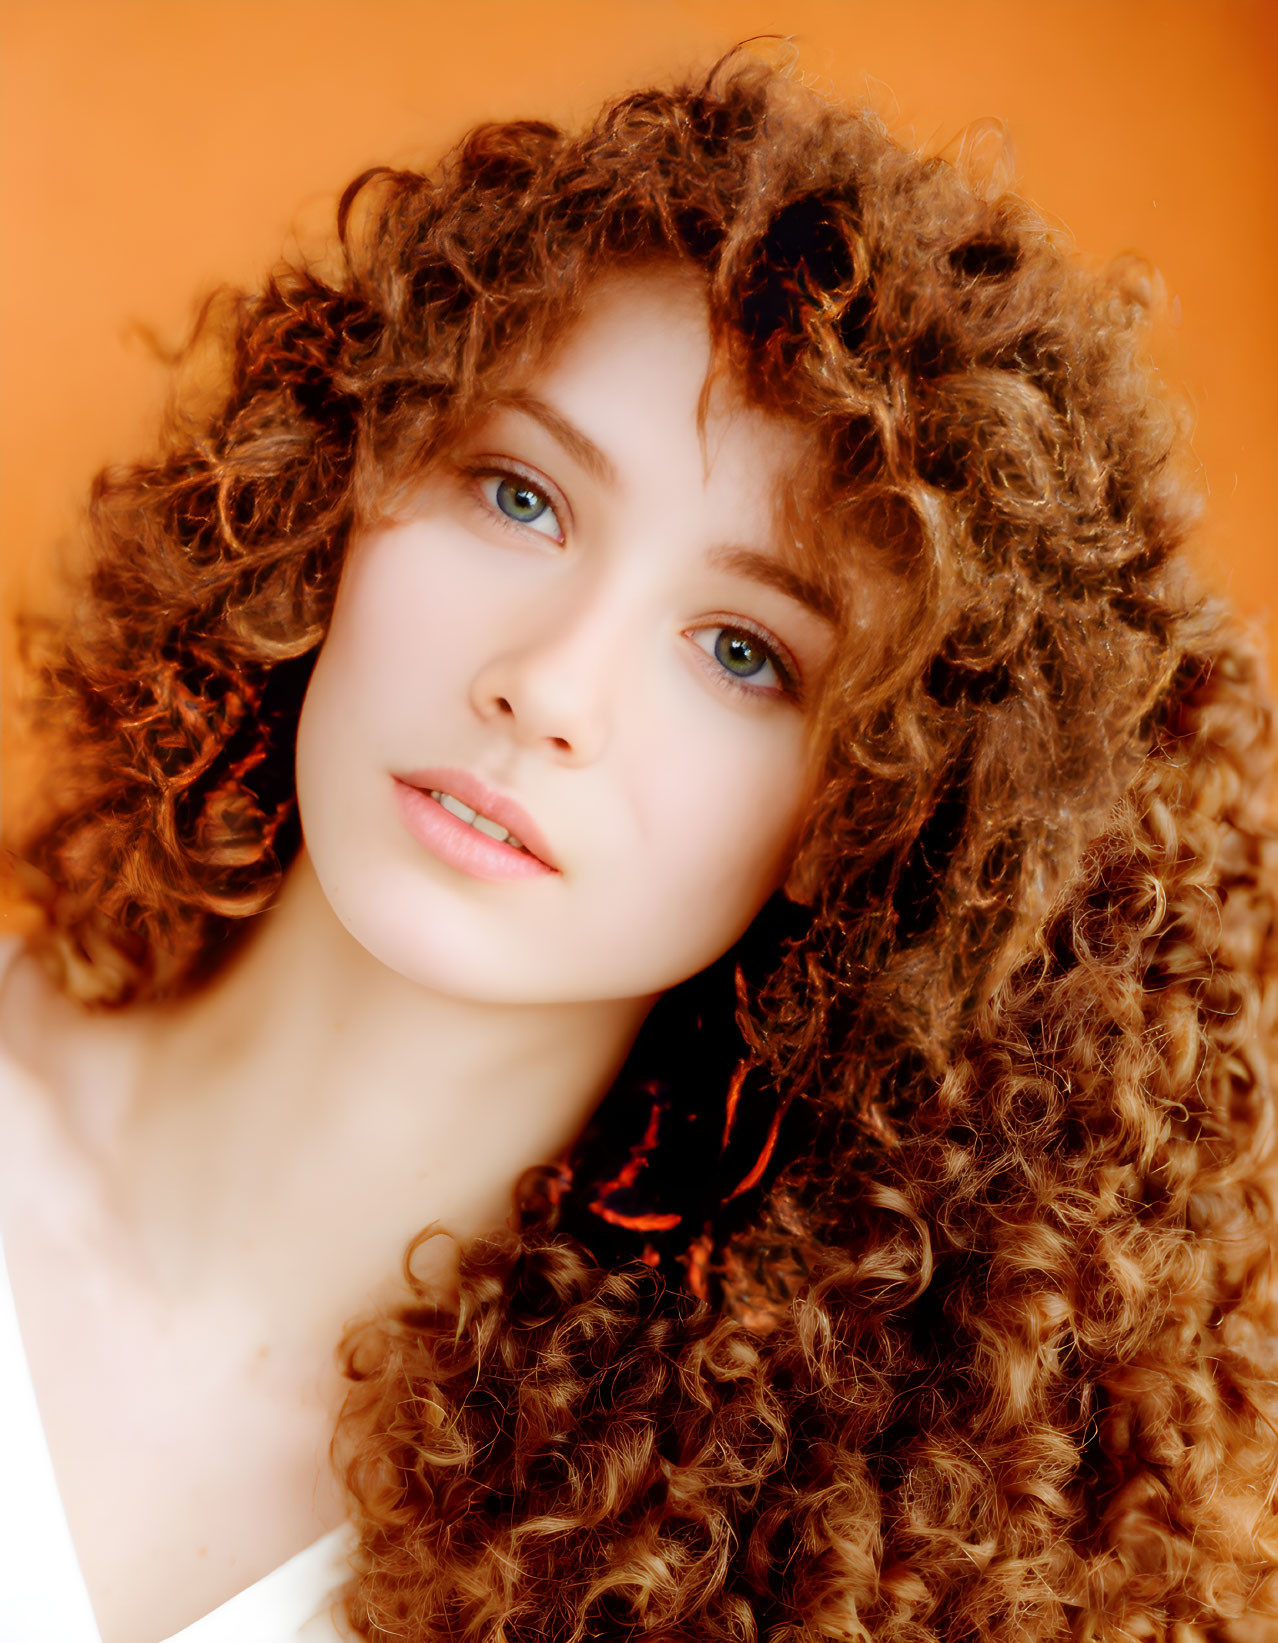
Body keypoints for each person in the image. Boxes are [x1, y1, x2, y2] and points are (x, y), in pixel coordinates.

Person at [2, 49, 1275, 1643]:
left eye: (744, 652)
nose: (544, 688)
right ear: (343, 485)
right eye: (517, 496)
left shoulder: (731, 1584)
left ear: (874, 818)